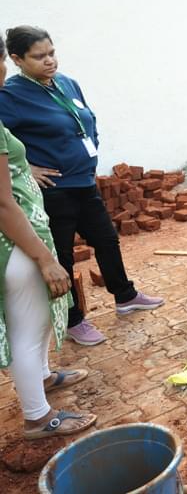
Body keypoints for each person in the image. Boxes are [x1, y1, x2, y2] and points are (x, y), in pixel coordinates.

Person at [0, 26, 163, 346]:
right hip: (55, 189)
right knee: (63, 254)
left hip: (84, 181)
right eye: (39, 56)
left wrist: (92, 148)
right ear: (17, 59)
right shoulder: (11, 95)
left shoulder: (65, 82)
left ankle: (125, 295)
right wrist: (25, 167)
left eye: (52, 53)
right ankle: (74, 321)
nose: (49, 61)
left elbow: (87, 119)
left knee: (106, 239)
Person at [0, 35, 97, 439]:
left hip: (23, 240)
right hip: (16, 247)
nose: (2, 70)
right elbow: (4, 206)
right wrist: (43, 257)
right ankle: (38, 417)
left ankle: (42, 376)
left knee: (37, 323)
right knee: (28, 326)